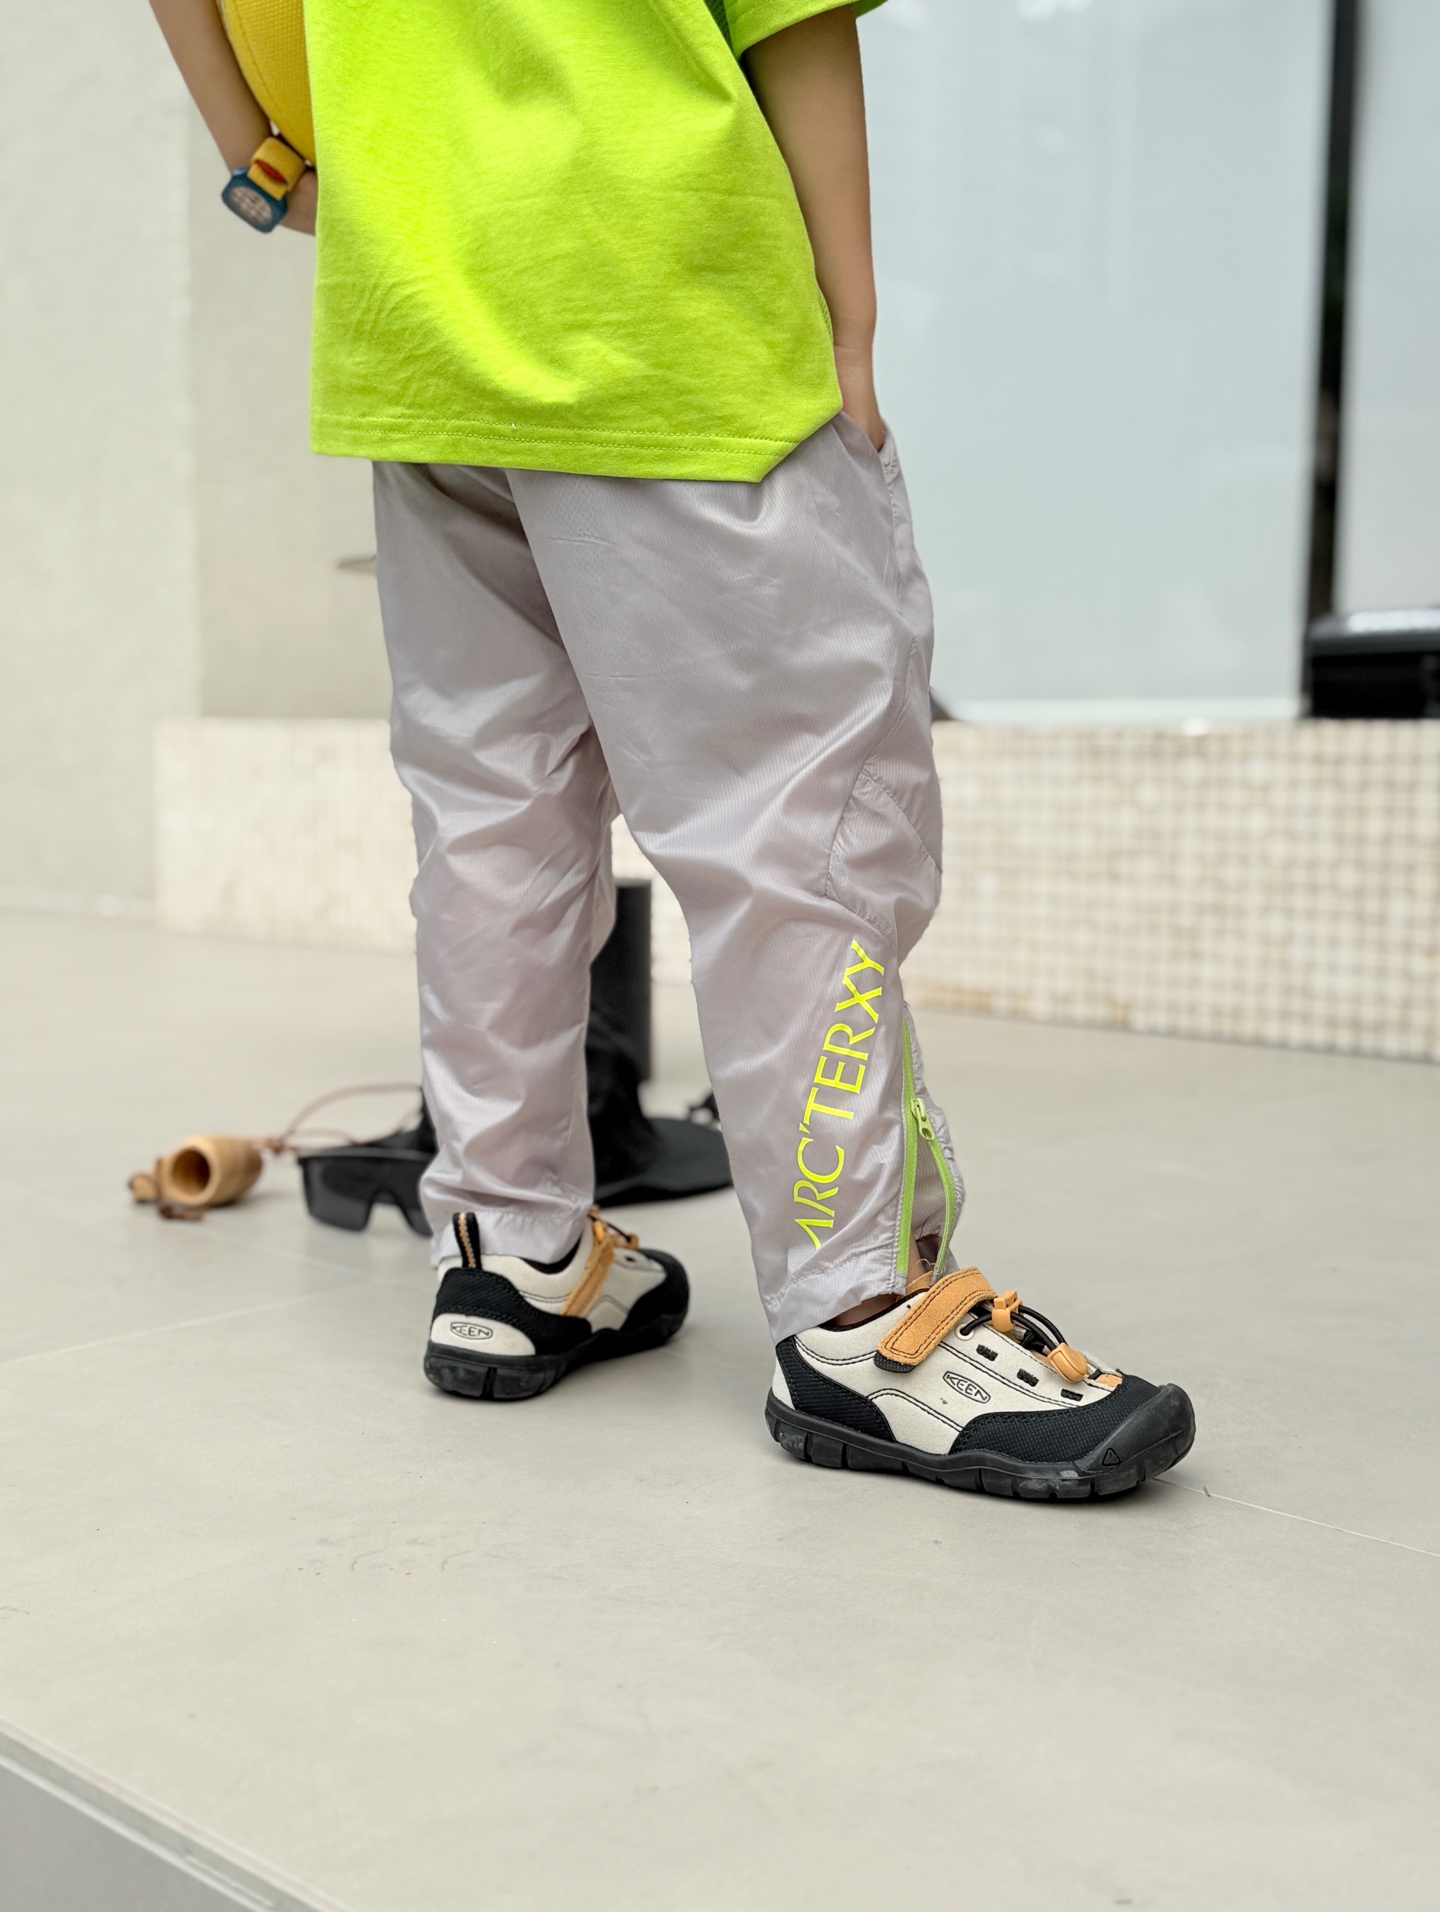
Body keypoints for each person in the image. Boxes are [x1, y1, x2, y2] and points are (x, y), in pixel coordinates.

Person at [150, 0, 1194, 1499]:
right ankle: (865, 1317)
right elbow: (792, 22)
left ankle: (513, 1253)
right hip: (667, 308)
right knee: (802, 826)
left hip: (425, 327)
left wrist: (269, 161)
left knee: (492, 818)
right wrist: (847, 325)